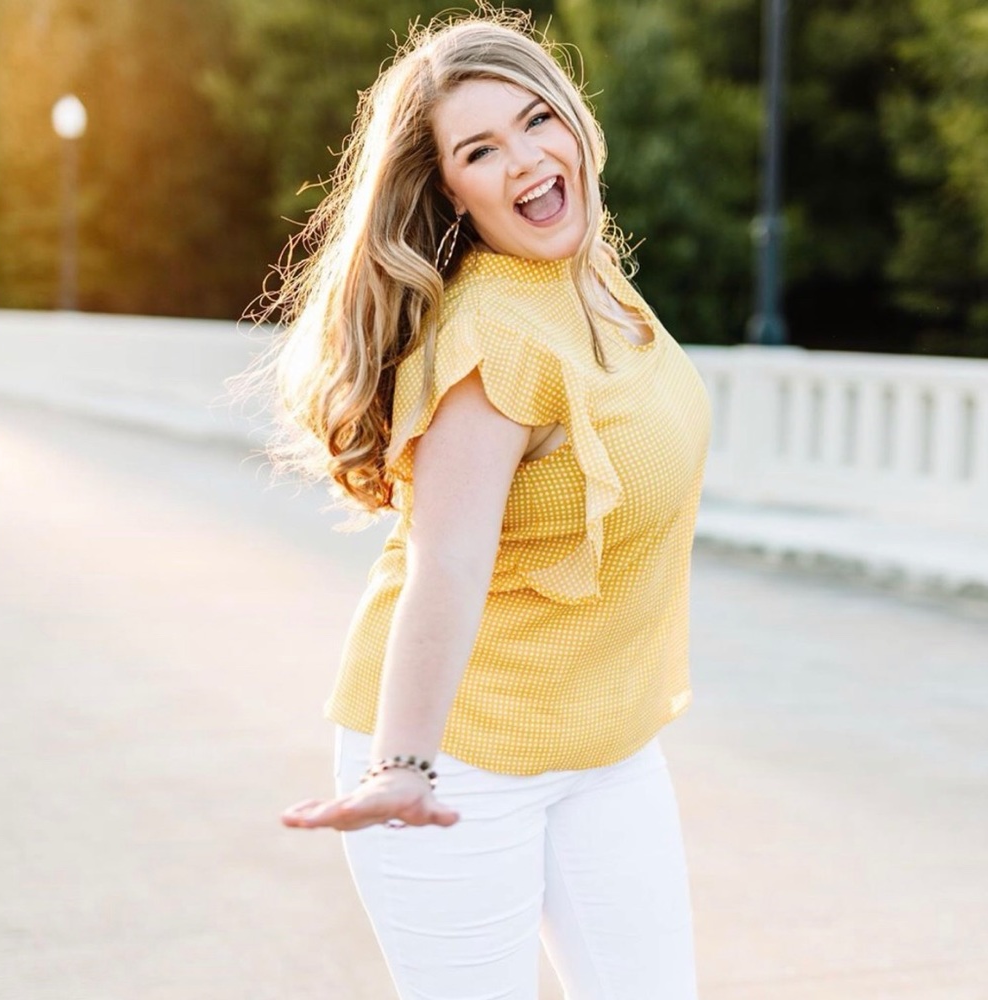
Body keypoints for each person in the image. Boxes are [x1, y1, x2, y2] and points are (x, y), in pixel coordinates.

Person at [266, 10, 711, 999]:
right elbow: (445, 563)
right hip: (459, 756)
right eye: (479, 148)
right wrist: (404, 765)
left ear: (572, 122)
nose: (524, 161)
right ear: (451, 193)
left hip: (603, 746)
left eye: (533, 120)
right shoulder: (492, 336)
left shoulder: (593, 280)